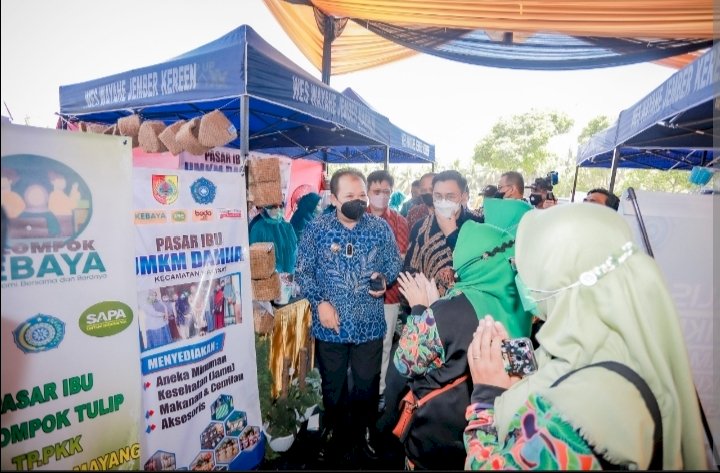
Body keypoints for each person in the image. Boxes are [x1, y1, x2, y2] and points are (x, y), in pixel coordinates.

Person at [463, 204, 708, 470]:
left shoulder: (585, 409)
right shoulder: (618, 342)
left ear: (561, 276)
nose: (519, 278)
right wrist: (518, 375)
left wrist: (487, 400)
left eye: (524, 268)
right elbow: (560, 371)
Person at [389, 199, 533, 470]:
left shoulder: (451, 310)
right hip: (495, 433)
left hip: (437, 436)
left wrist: (421, 309)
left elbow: (405, 361)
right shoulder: (523, 307)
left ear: (471, 258)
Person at [295, 168, 402, 464]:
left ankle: (365, 430)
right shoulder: (317, 229)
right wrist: (320, 303)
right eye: (350, 196)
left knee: (367, 385)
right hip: (331, 325)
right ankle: (335, 430)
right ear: (333, 198)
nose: (359, 201)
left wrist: (384, 277)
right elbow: (302, 272)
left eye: (363, 196)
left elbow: (393, 263)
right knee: (334, 385)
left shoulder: (379, 228)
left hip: (368, 323)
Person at [365, 170, 410, 413]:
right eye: (376, 191)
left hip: (388, 296)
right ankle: (360, 388)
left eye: (386, 192)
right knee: (360, 344)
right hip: (357, 297)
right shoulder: (356, 218)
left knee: (383, 344)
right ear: (368, 192)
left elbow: (399, 258)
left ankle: (380, 391)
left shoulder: (399, 223)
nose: (381, 196)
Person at [405, 170, 483, 297]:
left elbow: (482, 265)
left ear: (463, 196)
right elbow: (409, 269)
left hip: (471, 306)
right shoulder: (420, 228)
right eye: (438, 196)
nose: (443, 201)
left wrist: (452, 234)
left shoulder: (478, 224)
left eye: (450, 196)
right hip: (430, 308)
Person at [249, 204, 298, 274]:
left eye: (281, 206)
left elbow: (294, 254)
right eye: (274, 206)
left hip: (288, 279)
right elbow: (255, 259)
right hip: (268, 279)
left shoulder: (288, 227)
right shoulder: (258, 228)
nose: (278, 209)